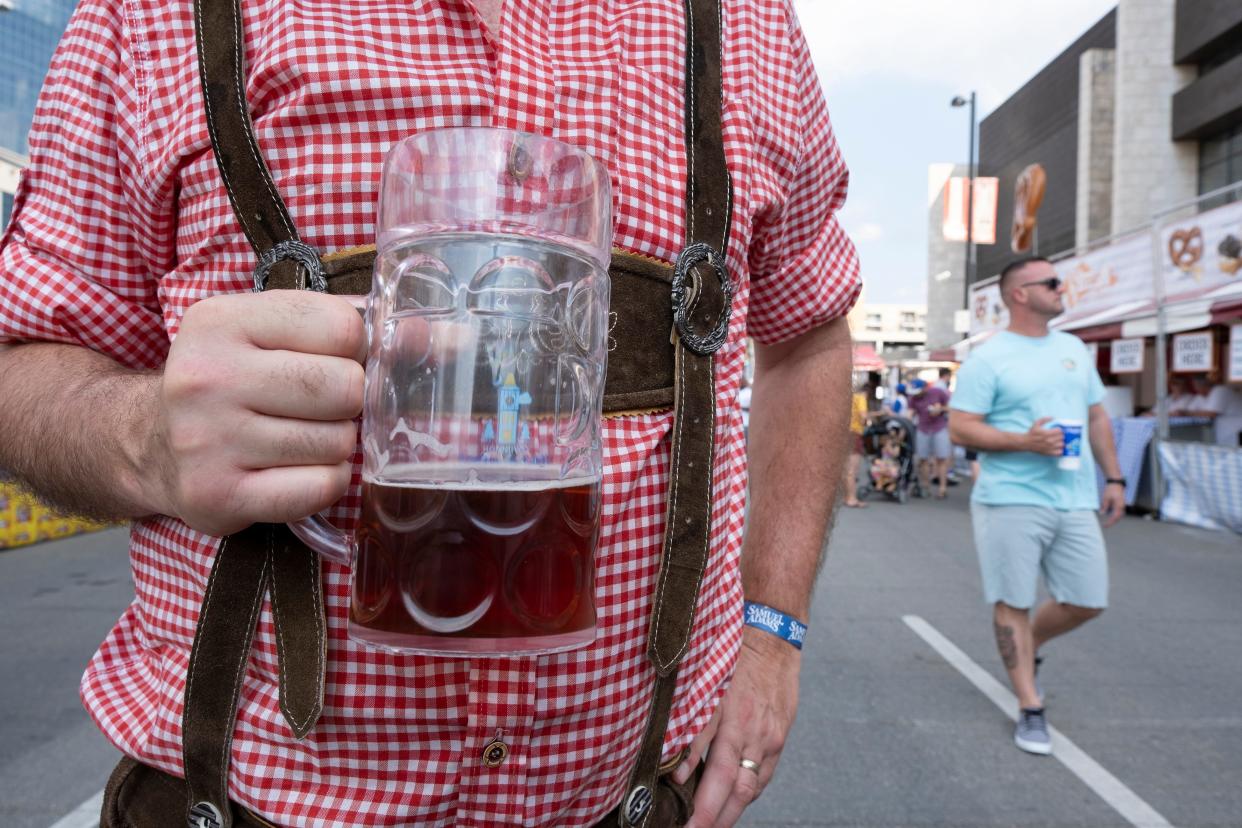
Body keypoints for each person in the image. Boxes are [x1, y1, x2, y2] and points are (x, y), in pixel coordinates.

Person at [0, 1, 861, 825]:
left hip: (638, 799)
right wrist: (146, 438)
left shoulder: (743, 17)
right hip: (246, 806)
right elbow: (23, 361)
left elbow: (808, 340)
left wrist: (771, 633)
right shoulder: (156, 12)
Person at [949, 257, 1125, 757]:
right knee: (1013, 601)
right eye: (1050, 282)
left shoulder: (1073, 348)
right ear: (1019, 294)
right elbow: (961, 427)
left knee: (1087, 600)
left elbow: (1096, 417)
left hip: (1075, 496)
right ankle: (1029, 704)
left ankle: (1029, 648)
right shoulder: (989, 357)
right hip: (1009, 496)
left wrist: (1113, 476)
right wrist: (1023, 441)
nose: (1059, 287)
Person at [908, 378, 952, 498]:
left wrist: (940, 409)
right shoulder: (913, 398)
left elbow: (951, 407)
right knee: (923, 459)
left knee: (941, 459)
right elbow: (910, 413)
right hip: (923, 429)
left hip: (939, 428)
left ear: (925, 388)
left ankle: (942, 488)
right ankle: (925, 486)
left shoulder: (938, 392)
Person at [1187, 375, 1242, 447]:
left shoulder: (1220, 390)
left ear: (1204, 384)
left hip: (1238, 431)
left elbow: (1212, 413)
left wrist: (1186, 413)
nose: (1195, 388)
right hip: (1226, 434)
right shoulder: (1202, 396)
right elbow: (1189, 411)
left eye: (1196, 385)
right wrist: (1187, 413)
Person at [844, 379, 871, 508]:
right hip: (855, 433)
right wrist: (871, 419)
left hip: (845, 433)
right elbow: (863, 416)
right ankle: (851, 498)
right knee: (852, 470)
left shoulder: (848, 397)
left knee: (847, 468)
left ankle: (847, 496)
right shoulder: (861, 398)